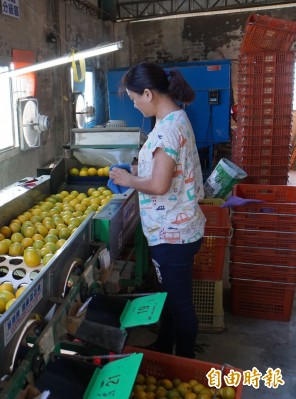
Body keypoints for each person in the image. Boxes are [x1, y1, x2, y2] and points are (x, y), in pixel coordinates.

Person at [108, 62, 205, 359]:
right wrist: (138, 168)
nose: (136, 106)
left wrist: (129, 180)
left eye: (135, 99)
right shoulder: (175, 118)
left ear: (148, 94)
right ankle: (165, 347)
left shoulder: (166, 130)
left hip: (172, 235)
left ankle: (186, 363)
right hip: (179, 227)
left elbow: (160, 185)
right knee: (170, 298)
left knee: (180, 305)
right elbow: (167, 169)